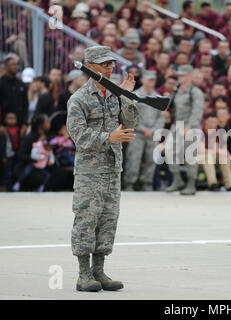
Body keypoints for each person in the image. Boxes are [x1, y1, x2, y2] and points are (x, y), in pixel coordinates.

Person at [66, 46, 139, 292]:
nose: (110, 68)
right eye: (104, 64)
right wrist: (109, 137)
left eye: (111, 64)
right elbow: (79, 136)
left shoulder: (114, 95)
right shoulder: (79, 98)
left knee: (108, 221)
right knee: (87, 219)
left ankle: (99, 270)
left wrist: (128, 96)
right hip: (90, 171)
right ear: (91, 67)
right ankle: (83, 274)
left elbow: (130, 124)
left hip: (112, 169)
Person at [165, 65, 204, 195]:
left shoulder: (195, 92)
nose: (179, 77)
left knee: (190, 156)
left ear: (189, 76)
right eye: (179, 75)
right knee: (170, 152)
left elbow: (197, 111)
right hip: (177, 125)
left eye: (182, 75)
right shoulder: (177, 90)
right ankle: (177, 180)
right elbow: (175, 109)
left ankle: (191, 184)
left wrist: (190, 127)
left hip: (190, 127)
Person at [123, 70, 165, 191]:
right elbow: (130, 115)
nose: (151, 82)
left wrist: (153, 130)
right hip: (137, 133)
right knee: (134, 159)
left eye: (153, 80)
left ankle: (147, 183)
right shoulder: (135, 95)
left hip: (152, 134)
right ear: (143, 80)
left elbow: (161, 117)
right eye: (149, 79)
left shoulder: (158, 97)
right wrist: (142, 129)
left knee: (151, 159)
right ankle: (130, 183)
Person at [0, 57, 29, 138]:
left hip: (19, 127)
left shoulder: (21, 84)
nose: (16, 67)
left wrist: (25, 124)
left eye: (16, 64)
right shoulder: (1, 83)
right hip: (4, 127)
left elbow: (25, 105)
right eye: (13, 64)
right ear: (6, 67)